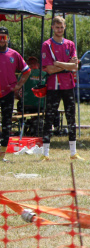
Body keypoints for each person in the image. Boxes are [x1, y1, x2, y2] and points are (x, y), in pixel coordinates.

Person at [40, 16, 81, 161]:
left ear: (65, 28)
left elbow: (75, 66)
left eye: (61, 27)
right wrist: (66, 65)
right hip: (53, 85)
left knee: (71, 118)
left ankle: (73, 152)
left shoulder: (70, 44)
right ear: (52, 28)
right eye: (57, 27)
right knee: (49, 117)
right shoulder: (47, 45)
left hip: (68, 84)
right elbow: (49, 69)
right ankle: (45, 153)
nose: (59, 30)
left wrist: (58, 64)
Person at [0, 27, 31, 162]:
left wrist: (18, 85)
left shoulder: (13, 54)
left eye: (4, 37)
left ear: (8, 38)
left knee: (6, 123)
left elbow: (27, 71)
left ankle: (2, 156)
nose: (1, 40)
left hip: (7, 94)